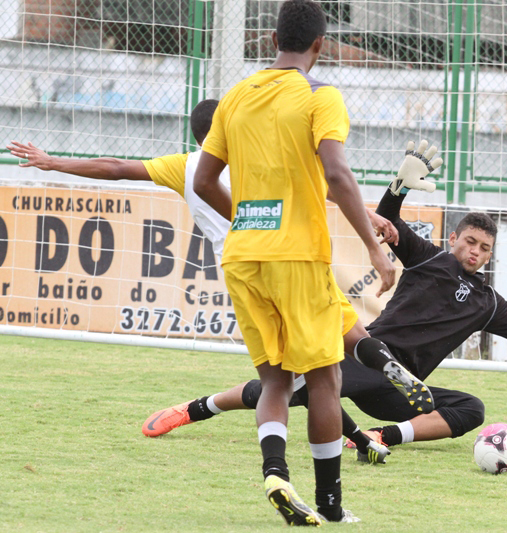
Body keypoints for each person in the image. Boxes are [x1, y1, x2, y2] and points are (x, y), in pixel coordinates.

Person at [143, 142, 507, 453]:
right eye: (470, 242)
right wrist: (400, 185)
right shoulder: (431, 257)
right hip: (369, 357)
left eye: (485, 248)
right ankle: (194, 409)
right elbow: (385, 226)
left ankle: (377, 438)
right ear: (455, 239)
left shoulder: (489, 305)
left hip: (402, 391)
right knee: (278, 392)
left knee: (470, 409)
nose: (476, 252)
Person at [7, 101, 438, 465]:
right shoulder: (262, 157)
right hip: (294, 259)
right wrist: (374, 216)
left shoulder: (187, 166)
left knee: (294, 377)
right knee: (337, 351)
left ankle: (345, 446)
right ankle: (381, 375)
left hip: (244, 274)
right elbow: (327, 186)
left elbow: (117, 167)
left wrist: (53, 162)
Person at [190, 0, 402, 525]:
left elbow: (202, 181)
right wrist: (376, 248)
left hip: (243, 256)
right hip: (296, 258)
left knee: (276, 379)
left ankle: (277, 475)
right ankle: (330, 506)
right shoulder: (319, 95)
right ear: (319, 45)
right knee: (325, 378)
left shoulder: (235, 96)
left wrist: (251, 219)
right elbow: (336, 173)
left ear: (271, 39)